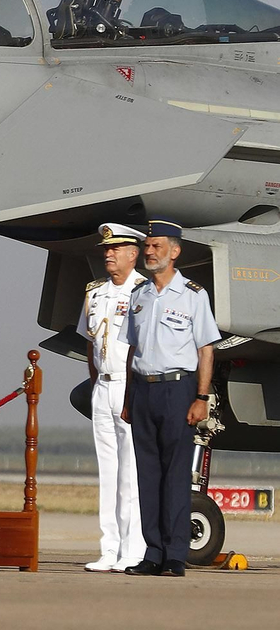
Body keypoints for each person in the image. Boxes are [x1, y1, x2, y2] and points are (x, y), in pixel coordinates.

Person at [121, 219, 218, 577]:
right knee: (147, 474)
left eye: (157, 246)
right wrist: (129, 396)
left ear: (174, 252)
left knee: (175, 474)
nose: (149, 252)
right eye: (147, 246)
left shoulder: (193, 295)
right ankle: (153, 552)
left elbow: (205, 350)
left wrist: (201, 397)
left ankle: (176, 554)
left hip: (178, 389)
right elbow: (133, 350)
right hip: (144, 389)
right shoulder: (139, 296)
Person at [79, 223, 148, 573]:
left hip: (129, 384)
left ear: (132, 254)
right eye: (106, 249)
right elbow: (90, 343)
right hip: (103, 386)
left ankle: (133, 549)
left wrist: (133, 391)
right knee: (107, 471)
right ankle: (110, 548)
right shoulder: (95, 293)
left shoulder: (143, 292)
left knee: (130, 472)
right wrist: (96, 386)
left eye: (116, 248)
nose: (108, 253)